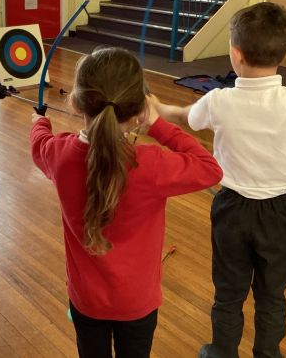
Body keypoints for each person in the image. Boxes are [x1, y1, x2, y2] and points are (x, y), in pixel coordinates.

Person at [154, 2, 286, 358]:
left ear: (236, 54)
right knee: (272, 295)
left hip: (231, 210)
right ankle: (268, 354)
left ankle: (222, 351)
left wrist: (158, 109)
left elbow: (185, 116)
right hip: (279, 214)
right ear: (282, 52)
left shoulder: (218, 100)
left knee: (229, 292)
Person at [30, 47, 223, 358]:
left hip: (86, 301)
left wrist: (40, 122)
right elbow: (210, 168)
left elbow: (40, 143)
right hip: (137, 304)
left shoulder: (59, 154)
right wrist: (158, 125)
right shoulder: (151, 164)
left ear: (77, 102)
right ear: (137, 111)